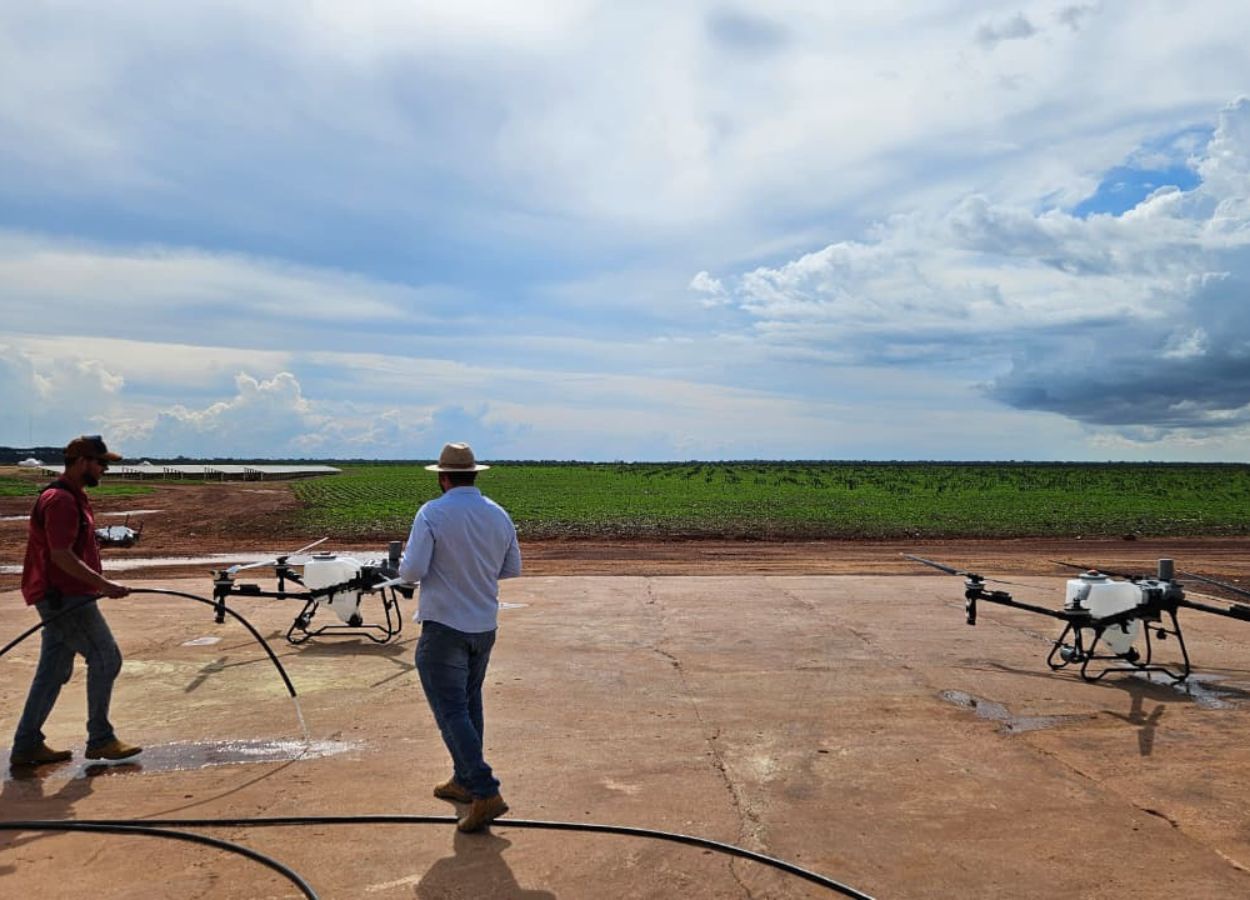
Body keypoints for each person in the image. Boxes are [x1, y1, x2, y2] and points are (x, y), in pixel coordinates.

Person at [399, 442, 522, 832]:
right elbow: (511, 568)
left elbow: (411, 571)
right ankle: (463, 780)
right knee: (469, 705)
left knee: (451, 711)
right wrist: (474, 571)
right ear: (474, 475)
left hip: (444, 627)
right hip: (483, 626)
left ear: (443, 478)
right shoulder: (498, 514)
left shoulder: (432, 513)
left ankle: (485, 791)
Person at [9, 435, 142, 768]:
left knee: (53, 670)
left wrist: (100, 544)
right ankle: (100, 738)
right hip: (65, 597)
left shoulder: (72, 497)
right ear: (83, 462)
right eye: (101, 463)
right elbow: (60, 555)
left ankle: (27, 744)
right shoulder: (62, 500)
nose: (104, 470)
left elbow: (69, 544)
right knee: (106, 657)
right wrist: (105, 585)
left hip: (62, 595)